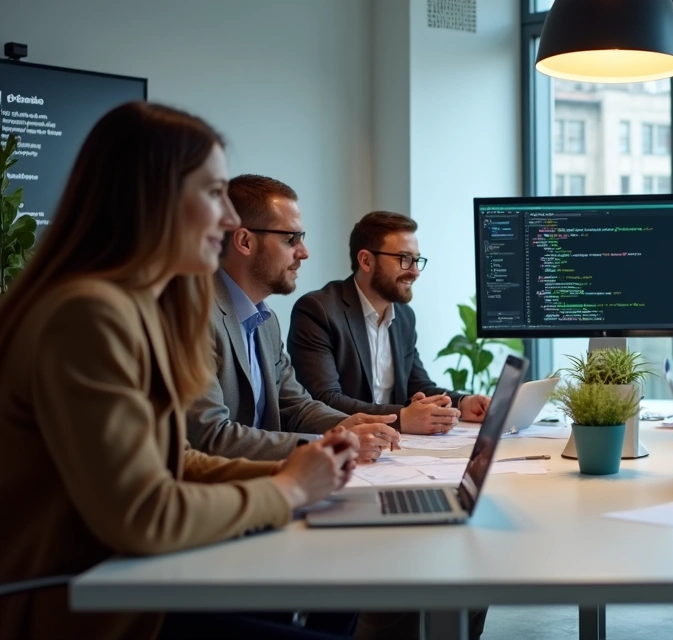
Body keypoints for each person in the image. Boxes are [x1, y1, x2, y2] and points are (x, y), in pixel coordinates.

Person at [0, 102, 360, 640]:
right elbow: (144, 513)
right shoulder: (87, 314)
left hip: (137, 577)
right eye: (213, 194)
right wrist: (286, 490)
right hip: (89, 604)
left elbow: (172, 460)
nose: (231, 219)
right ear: (153, 198)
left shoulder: (135, 306)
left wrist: (301, 475)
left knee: (343, 585)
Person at [186, 175, 399, 462]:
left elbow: (296, 405)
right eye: (290, 239)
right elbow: (210, 435)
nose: (304, 252)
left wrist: (346, 426)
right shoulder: (195, 316)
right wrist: (325, 446)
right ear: (245, 241)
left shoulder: (266, 320)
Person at [287, 211, 487, 434]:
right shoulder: (318, 310)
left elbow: (418, 386)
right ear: (366, 261)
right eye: (404, 259)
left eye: (416, 260)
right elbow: (324, 400)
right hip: (343, 448)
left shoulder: (404, 316)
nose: (415, 271)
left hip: (397, 449)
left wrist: (462, 404)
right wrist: (401, 418)